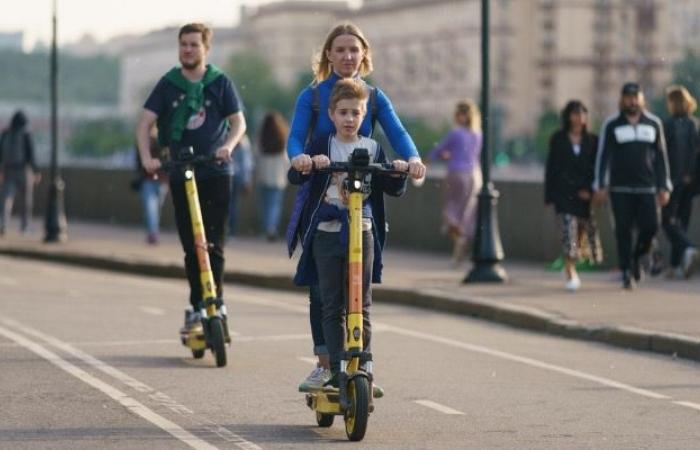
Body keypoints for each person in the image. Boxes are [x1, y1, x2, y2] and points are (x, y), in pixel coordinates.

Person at [285, 22, 426, 391]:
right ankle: (325, 363)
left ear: (364, 54)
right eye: (341, 49)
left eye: (354, 50)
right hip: (320, 197)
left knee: (360, 294)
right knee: (322, 289)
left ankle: (361, 364)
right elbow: (296, 136)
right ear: (328, 55)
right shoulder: (313, 96)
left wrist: (411, 160)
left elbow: (397, 133)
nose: (348, 56)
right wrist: (300, 158)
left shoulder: (375, 97)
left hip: (360, 201)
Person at [136, 23, 246, 332]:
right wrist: (148, 158)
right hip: (182, 171)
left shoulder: (219, 82)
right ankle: (198, 304)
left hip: (217, 170)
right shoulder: (168, 84)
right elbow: (144, 124)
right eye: (183, 44)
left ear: (205, 49)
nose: (188, 49)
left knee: (215, 243)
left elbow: (239, 123)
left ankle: (217, 300)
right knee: (192, 244)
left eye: (194, 44)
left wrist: (227, 146)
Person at [593, 82, 672, 289]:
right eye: (628, 97)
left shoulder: (653, 123)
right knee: (623, 231)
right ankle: (627, 270)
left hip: (647, 188)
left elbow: (662, 158)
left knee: (650, 227)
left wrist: (664, 186)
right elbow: (603, 157)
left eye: (636, 97)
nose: (632, 101)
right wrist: (600, 184)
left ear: (641, 99)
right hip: (620, 189)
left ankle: (637, 258)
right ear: (622, 99)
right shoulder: (612, 124)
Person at [544, 100, 603, 291]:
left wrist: (592, 190)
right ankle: (570, 270)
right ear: (568, 116)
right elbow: (551, 168)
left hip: (584, 196)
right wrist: (549, 195)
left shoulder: (593, 140)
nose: (579, 118)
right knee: (568, 232)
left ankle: (572, 264)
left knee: (581, 233)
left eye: (583, 114)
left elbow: (596, 168)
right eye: (576, 113)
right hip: (564, 194)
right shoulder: (558, 139)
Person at [427, 100, 483, 267]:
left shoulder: (456, 133)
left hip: (457, 174)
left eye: (458, 114)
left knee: (450, 210)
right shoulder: (478, 134)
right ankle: (461, 244)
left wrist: (426, 160)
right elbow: (469, 154)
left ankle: (457, 233)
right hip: (475, 175)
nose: (456, 117)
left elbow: (439, 149)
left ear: (463, 116)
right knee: (467, 213)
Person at [661, 85, 699, 279]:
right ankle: (676, 266)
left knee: (666, 221)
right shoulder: (695, 124)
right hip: (691, 183)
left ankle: (689, 249)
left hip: (674, 180)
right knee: (681, 222)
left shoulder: (669, 125)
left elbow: (667, 154)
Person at [0, 110, 41, 236]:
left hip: (8, 169)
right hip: (23, 170)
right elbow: (31, 154)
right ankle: (25, 227)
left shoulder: (6, 133)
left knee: (6, 198)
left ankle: (3, 223)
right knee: (26, 200)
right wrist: (36, 171)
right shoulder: (26, 134)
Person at [255, 111, 289, 241]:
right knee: (275, 205)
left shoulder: (262, 137)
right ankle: (272, 228)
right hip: (278, 177)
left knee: (264, 204)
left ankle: (267, 228)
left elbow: (256, 155)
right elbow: (287, 159)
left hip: (264, 175)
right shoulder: (282, 137)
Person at [133, 127, 169, 244]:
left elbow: (166, 158)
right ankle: (153, 233)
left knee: (157, 207)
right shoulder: (142, 144)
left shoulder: (163, 142)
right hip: (147, 180)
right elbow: (139, 162)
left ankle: (153, 230)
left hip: (161, 181)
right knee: (150, 208)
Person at [228, 135, 253, 236]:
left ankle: (224, 229)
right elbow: (246, 163)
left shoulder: (224, 135)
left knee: (224, 204)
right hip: (237, 175)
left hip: (225, 173)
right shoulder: (243, 139)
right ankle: (231, 231)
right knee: (233, 204)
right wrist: (246, 180)